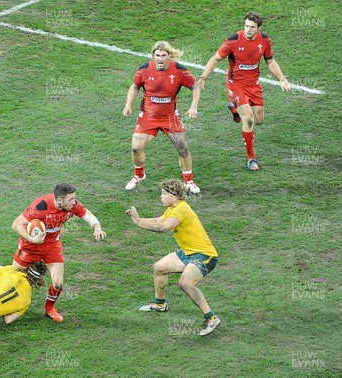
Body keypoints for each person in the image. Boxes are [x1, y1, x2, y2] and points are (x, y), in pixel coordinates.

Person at [198, 11, 292, 171]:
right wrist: (204, 77)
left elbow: (270, 61)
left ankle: (234, 109)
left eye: (252, 27)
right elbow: (215, 58)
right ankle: (251, 158)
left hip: (254, 85)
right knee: (248, 120)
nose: (248, 29)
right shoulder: (233, 40)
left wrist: (281, 78)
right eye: (246, 26)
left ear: (258, 28)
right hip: (236, 85)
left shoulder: (265, 40)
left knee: (259, 120)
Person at [125, 179, 220, 336]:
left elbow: (163, 227)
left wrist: (138, 222)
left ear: (174, 195)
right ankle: (159, 304)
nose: (161, 197)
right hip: (189, 253)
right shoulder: (173, 208)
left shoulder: (180, 211)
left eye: (164, 194)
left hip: (204, 255)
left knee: (185, 283)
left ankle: (211, 318)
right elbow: (158, 220)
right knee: (159, 268)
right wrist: (138, 219)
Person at [11, 183, 106, 323]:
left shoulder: (73, 206)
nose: (74, 202)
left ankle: (49, 308)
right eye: (71, 199)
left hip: (52, 245)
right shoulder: (40, 206)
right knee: (11, 277)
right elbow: (16, 224)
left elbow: (89, 217)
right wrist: (31, 239)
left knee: (58, 284)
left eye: (74, 198)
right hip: (30, 246)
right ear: (60, 200)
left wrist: (97, 228)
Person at [123, 41, 202, 194]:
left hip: (170, 117)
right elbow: (134, 86)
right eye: (157, 55)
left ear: (169, 56)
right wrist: (128, 105)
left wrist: (194, 106)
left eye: (163, 56)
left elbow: (195, 87)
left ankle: (189, 181)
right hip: (148, 116)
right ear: (153, 55)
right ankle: (139, 175)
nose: (160, 59)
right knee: (136, 148)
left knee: (182, 147)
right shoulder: (144, 70)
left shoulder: (179, 70)